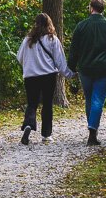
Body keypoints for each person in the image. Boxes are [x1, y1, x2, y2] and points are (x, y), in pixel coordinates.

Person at [69, 0, 106, 145]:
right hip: (104, 69)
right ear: (102, 9)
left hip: (86, 68)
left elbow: (74, 50)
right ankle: (93, 131)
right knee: (98, 99)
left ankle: (92, 131)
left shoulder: (81, 26)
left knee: (89, 98)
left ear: (91, 8)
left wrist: (71, 68)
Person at [16, 12, 72, 145]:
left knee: (32, 103)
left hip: (30, 77)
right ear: (49, 24)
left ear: (35, 24)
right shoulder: (52, 39)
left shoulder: (27, 40)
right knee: (47, 104)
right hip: (48, 76)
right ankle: (46, 135)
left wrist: (30, 65)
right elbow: (60, 61)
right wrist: (69, 74)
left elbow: (19, 57)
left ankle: (29, 124)